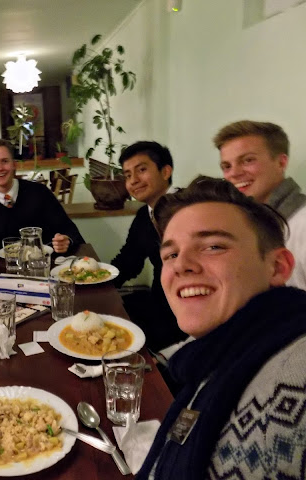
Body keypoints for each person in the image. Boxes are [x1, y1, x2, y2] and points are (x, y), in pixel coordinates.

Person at [136, 176, 306, 480]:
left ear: (278, 267)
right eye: (171, 254)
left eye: (213, 246)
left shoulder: (296, 376)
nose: (181, 265)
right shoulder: (209, 361)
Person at [111, 141, 187, 351]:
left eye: (141, 170)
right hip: (159, 302)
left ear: (166, 171)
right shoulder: (144, 216)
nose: (133, 180)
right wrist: (98, 284)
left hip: (184, 312)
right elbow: (129, 261)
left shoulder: (189, 208)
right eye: (127, 175)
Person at [214, 120, 306, 290]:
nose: (234, 173)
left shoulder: (302, 224)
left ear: (281, 162)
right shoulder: (243, 228)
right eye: (226, 166)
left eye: (248, 160)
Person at [0, 139, 84, 254]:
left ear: (14, 164)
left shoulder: (41, 193)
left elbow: (69, 231)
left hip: (45, 263)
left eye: (5, 161)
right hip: (3, 265)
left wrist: (65, 241)